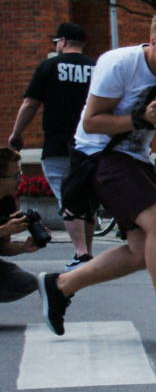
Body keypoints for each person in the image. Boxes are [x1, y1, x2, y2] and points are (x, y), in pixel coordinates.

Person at [36, 10, 156, 345]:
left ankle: (60, 286)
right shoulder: (119, 64)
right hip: (97, 154)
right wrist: (140, 118)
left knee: (142, 250)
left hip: (135, 159)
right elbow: (90, 122)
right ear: (154, 41)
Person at [8, 22, 96, 269]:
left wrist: (16, 134)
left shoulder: (48, 67)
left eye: (56, 41)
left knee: (67, 197)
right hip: (91, 144)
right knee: (86, 198)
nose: (56, 45)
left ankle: (80, 253)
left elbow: (29, 104)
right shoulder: (96, 68)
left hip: (58, 144)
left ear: (64, 41)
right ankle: (87, 252)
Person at [0, 147, 39, 304]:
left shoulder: (7, 202)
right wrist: (6, 228)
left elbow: (3, 248)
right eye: (16, 176)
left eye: (20, 175)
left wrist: (24, 247)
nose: (21, 180)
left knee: (27, 281)